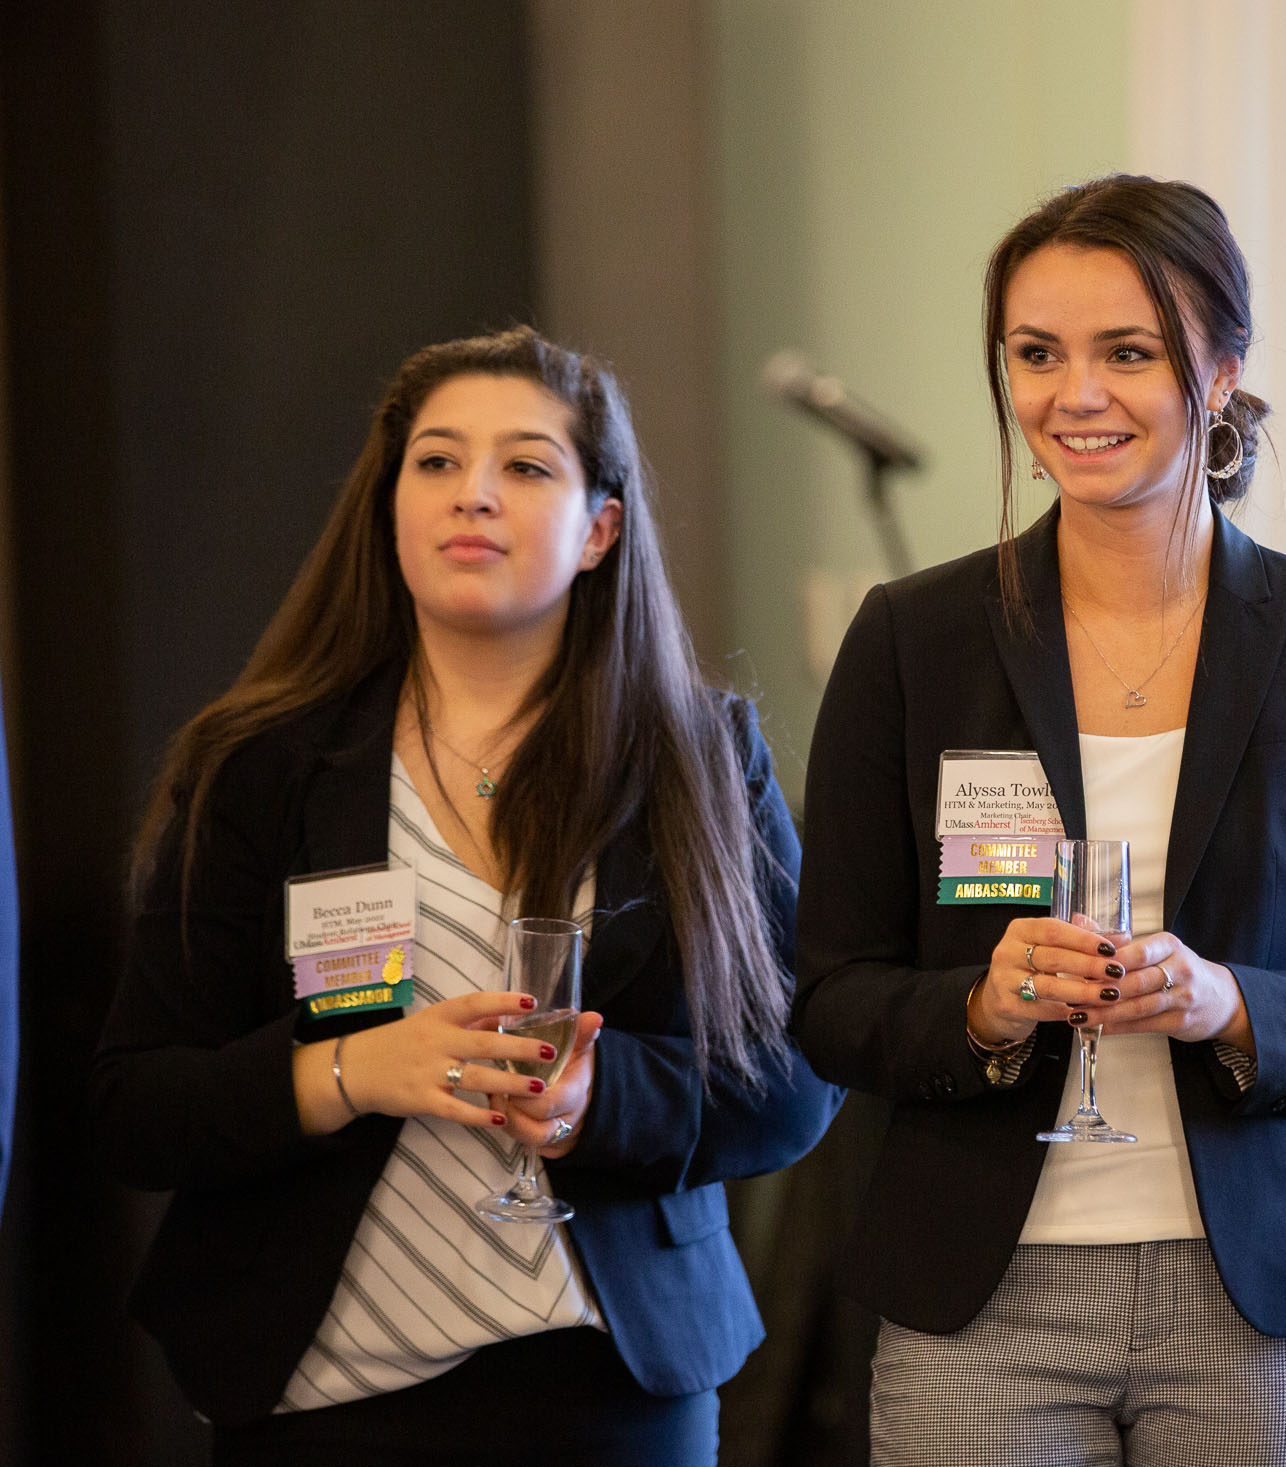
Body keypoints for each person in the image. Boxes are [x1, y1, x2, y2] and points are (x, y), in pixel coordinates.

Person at [791, 174, 1286, 1467]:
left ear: (1220, 371)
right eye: (1037, 354)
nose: (1076, 395)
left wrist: (1234, 1003)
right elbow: (825, 996)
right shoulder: (912, 640)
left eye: (1128, 352)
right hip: (977, 1298)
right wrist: (983, 1006)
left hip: (1264, 1296)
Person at [92, 326, 841, 1464]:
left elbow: (796, 1078)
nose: (472, 494)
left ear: (600, 529)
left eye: (525, 465)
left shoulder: (699, 759)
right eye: (437, 461)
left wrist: (598, 1099)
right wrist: (350, 1071)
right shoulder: (258, 768)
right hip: (322, 1391)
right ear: (389, 508)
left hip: (615, 1389)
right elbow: (136, 1106)